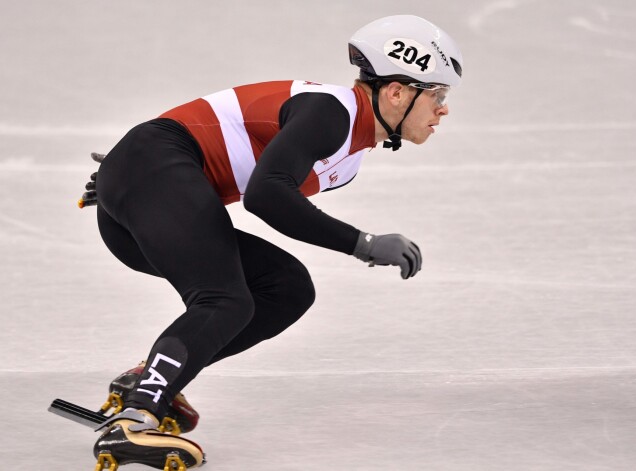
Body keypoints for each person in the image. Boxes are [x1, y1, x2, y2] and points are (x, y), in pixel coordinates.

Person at [82, 14, 463, 470]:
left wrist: (138, 183)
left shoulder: (349, 160)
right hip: (152, 169)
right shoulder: (333, 111)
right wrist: (362, 243)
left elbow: (246, 165)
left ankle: (149, 382)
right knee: (224, 301)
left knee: (287, 288)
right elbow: (266, 195)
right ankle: (133, 419)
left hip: (151, 181)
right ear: (397, 91)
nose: (442, 109)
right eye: (436, 94)